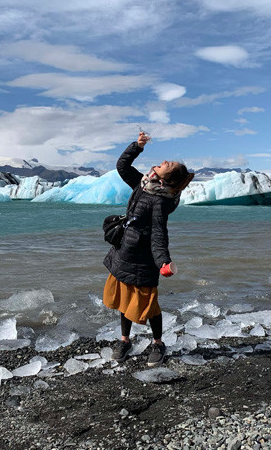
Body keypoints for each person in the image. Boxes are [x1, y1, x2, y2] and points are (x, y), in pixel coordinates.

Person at [103, 132, 194, 367]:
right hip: (124, 252)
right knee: (124, 299)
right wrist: (137, 146)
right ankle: (125, 341)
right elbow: (122, 166)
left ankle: (158, 343)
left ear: (167, 179)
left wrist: (163, 260)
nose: (164, 162)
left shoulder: (160, 201)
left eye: (169, 165)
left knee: (149, 304)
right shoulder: (144, 184)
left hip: (144, 259)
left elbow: (158, 233)